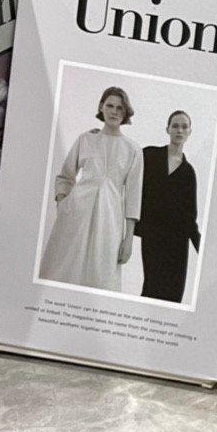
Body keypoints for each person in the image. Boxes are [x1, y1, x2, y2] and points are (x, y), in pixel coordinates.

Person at [39, 86, 143, 291]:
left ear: (126, 112)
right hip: (75, 215)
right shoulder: (86, 139)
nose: (114, 111)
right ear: (101, 107)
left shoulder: (133, 149)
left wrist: (128, 239)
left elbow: (134, 196)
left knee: (102, 279)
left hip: (109, 220)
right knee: (61, 274)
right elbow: (65, 176)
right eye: (110, 106)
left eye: (120, 108)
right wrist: (63, 204)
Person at [137, 110, 200, 302]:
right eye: (175, 126)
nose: (179, 130)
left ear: (189, 132)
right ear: (168, 129)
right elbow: (125, 164)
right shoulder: (149, 155)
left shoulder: (188, 172)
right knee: (151, 288)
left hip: (178, 242)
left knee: (173, 294)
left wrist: (201, 248)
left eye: (184, 127)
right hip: (153, 236)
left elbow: (190, 216)